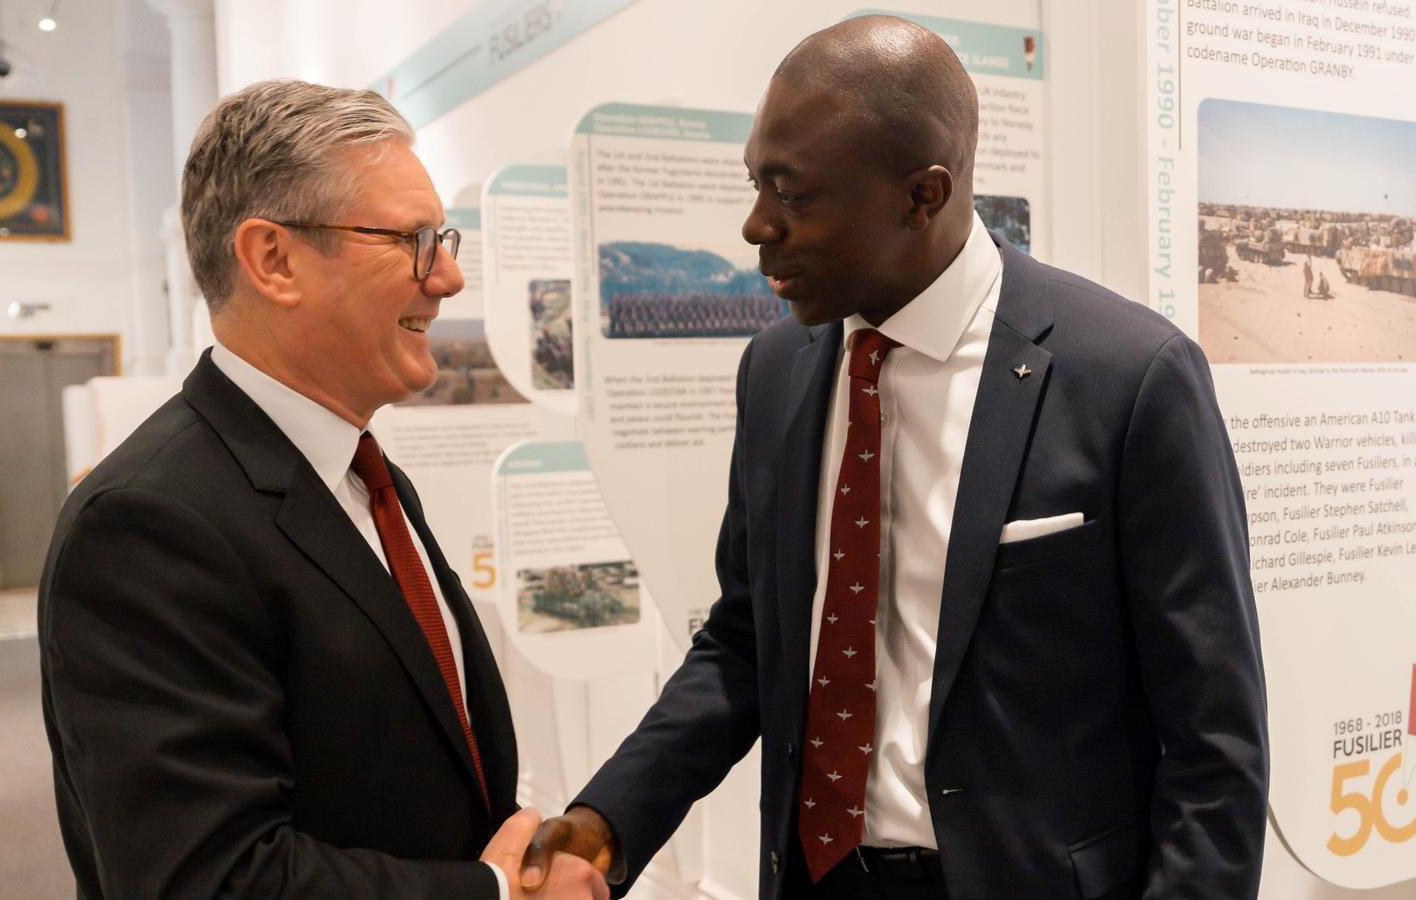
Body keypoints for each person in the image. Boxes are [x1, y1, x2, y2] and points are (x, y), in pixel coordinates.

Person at [524, 16, 1268, 900]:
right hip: (816, 874)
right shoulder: (778, 370)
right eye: (756, 182)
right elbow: (748, 640)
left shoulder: (1129, 378)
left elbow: (1213, 740)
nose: (757, 225)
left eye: (792, 194)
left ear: (924, 194)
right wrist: (612, 817)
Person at [37, 80, 605, 900]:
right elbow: (209, 879)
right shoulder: (146, 524)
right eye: (414, 241)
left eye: (441, 239)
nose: (447, 277)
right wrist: (489, 893)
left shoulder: (367, 478)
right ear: (274, 260)